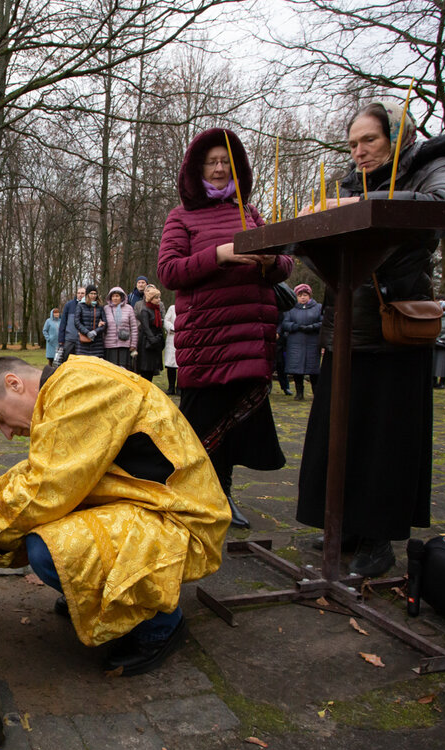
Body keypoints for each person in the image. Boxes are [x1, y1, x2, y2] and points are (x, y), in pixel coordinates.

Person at [0, 356, 230, 676]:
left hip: (182, 520)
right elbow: (38, 482)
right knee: (36, 511)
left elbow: (45, 491)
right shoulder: (67, 389)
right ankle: (94, 597)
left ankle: (162, 625)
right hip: (148, 503)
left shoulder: (78, 389)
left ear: (14, 384)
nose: (6, 433)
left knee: (46, 549)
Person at [295, 100, 445, 577]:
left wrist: (357, 208)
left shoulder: (433, 167)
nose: (359, 152)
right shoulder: (350, 182)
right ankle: (342, 523)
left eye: (369, 140)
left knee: (385, 438)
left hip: (396, 326)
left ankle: (378, 539)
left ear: (397, 136)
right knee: (340, 432)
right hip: (348, 326)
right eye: (352, 144)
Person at [157, 127, 292, 531]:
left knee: (237, 425)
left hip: (248, 339)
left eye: (226, 162)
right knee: (199, 427)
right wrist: (218, 255)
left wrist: (269, 262)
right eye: (212, 162)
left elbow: (285, 265)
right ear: (197, 169)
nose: (219, 169)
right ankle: (189, 496)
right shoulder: (181, 217)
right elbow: (168, 270)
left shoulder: (249, 213)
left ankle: (224, 495)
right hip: (206, 340)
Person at [279, 283, 322, 400]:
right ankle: (299, 393)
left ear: (309, 295)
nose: (303, 297)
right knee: (297, 369)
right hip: (295, 342)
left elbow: (323, 322)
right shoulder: (290, 309)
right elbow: (285, 323)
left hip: (312, 341)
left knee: (313, 370)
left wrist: (312, 327)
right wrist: (296, 326)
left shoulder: (318, 307)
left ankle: (316, 393)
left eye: (305, 295)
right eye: (300, 295)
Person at [101, 287, 139, 370]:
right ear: (110, 297)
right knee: (111, 369)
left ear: (121, 297)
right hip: (109, 345)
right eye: (113, 296)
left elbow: (134, 327)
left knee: (124, 369)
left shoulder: (129, 308)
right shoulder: (106, 309)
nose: (115, 298)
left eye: (117, 296)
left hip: (124, 344)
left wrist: (133, 344)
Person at [135, 286, 165, 383]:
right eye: (156, 298)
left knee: (152, 369)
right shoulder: (145, 310)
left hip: (155, 343)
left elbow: (160, 326)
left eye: (159, 297)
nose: (159, 300)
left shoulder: (157, 310)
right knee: (145, 369)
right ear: (151, 299)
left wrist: (160, 338)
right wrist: (153, 339)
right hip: (146, 343)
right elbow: (145, 327)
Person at [74, 285, 107, 358]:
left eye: (95, 294)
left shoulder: (100, 307)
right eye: (91, 293)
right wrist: (87, 332)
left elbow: (105, 323)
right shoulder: (80, 306)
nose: (93, 295)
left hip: (97, 342)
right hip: (83, 341)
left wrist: (95, 332)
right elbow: (76, 322)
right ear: (87, 294)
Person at [56, 286, 86, 363]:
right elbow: (63, 323)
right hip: (69, 339)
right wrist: (61, 339)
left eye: (82, 293)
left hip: (83, 340)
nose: (80, 295)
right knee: (66, 360)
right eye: (78, 293)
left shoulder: (88, 306)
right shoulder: (69, 305)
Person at [163, 301, 178, 395]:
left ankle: (180, 387)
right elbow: (166, 320)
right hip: (172, 337)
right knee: (171, 365)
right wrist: (172, 327)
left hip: (184, 337)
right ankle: (171, 387)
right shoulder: (172, 308)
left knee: (181, 366)